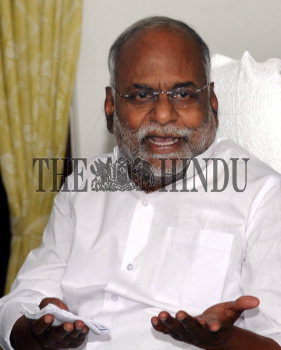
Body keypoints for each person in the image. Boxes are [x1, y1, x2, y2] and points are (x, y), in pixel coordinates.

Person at [1, 16, 281, 350]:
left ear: (212, 101)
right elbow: (23, 299)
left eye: (183, 94)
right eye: (140, 95)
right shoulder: (85, 183)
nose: (163, 115)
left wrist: (224, 341)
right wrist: (33, 332)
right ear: (111, 105)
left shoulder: (261, 193)